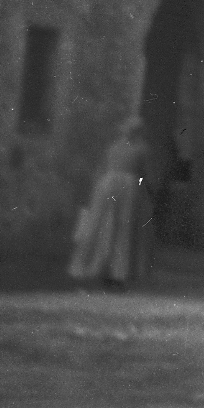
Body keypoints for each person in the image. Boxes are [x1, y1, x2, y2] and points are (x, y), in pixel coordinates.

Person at [67, 117, 154, 287]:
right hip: (125, 189)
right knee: (118, 228)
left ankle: (109, 270)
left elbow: (105, 170)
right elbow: (144, 174)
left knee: (111, 228)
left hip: (110, 187)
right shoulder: (139, 148)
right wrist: (146, 190)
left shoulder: (118, 147)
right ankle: (113, 271)